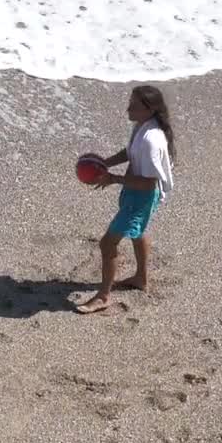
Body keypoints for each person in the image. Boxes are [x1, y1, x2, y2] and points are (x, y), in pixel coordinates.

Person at [76, 85, 176, 314]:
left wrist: (113, 178)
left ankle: (103, 296)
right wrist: (105, 163)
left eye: (134, 105)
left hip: (140, 196)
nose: (128, 108)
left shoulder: (152, 139)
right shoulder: (142, 126)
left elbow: (149, 183)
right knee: (137, 232)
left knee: (107, 243)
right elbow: (130, 151)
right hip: (133, 192)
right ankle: (141, 278)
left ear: (149, 109)